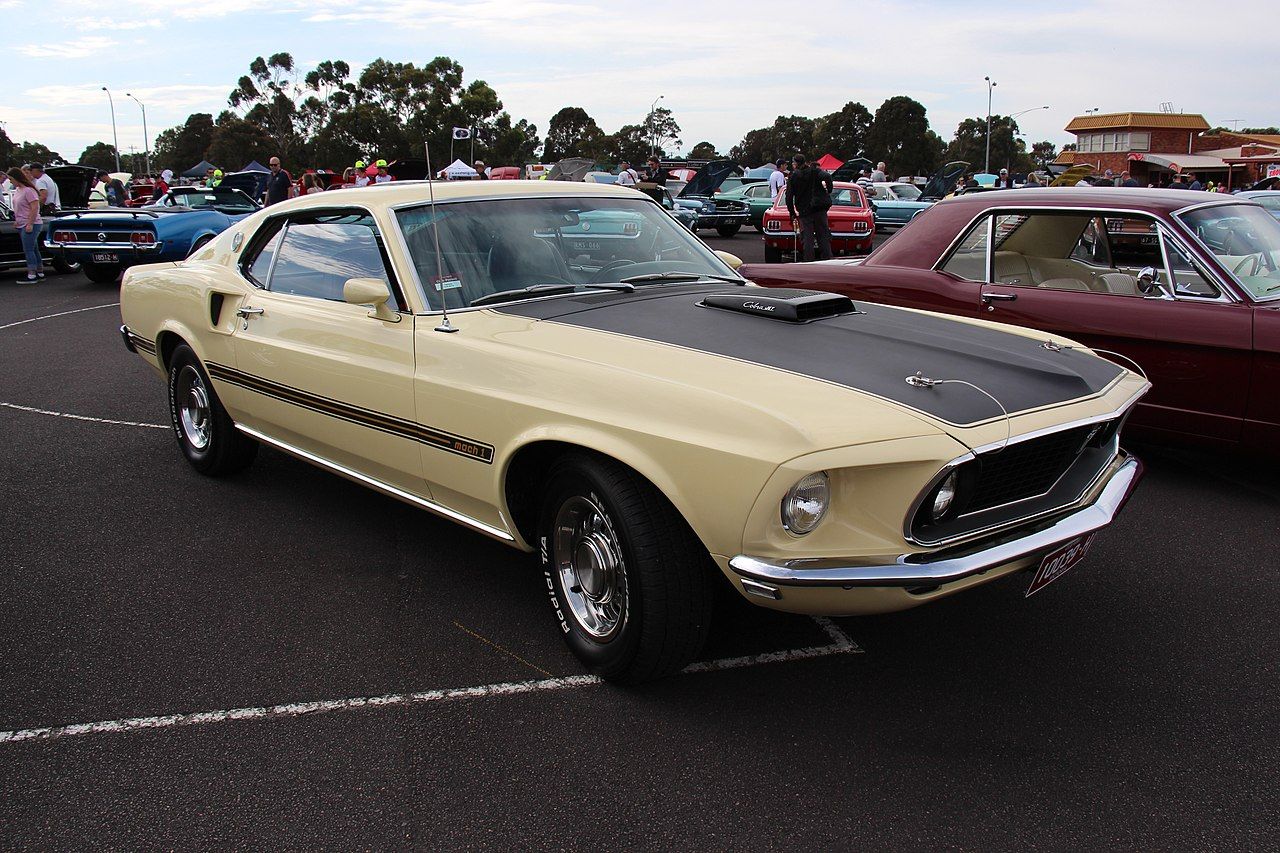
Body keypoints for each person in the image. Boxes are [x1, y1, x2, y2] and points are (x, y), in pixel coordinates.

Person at [785, 154, 834, 262]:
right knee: (823, 236)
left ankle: (809, 262)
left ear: (796, 164)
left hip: (804, 210)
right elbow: (827, 176)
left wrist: (792, 212)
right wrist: (829, 190)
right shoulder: (814, 171)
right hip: (819, 208)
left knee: (807, 238)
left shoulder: (794, 176)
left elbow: (789, 196)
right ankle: (828, 261)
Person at [8, 167, 45, 282]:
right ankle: (39, 271)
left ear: (16, 178)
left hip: (31, 223)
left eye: (11, 179)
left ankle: (32, 274)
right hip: (21, 223)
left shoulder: (29, 190)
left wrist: (30, 223)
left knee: (28, 249)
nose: (10, 181)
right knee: (33, 248)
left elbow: (34, 207)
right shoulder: (19, 190)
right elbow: (19, 207)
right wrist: (17, 220)